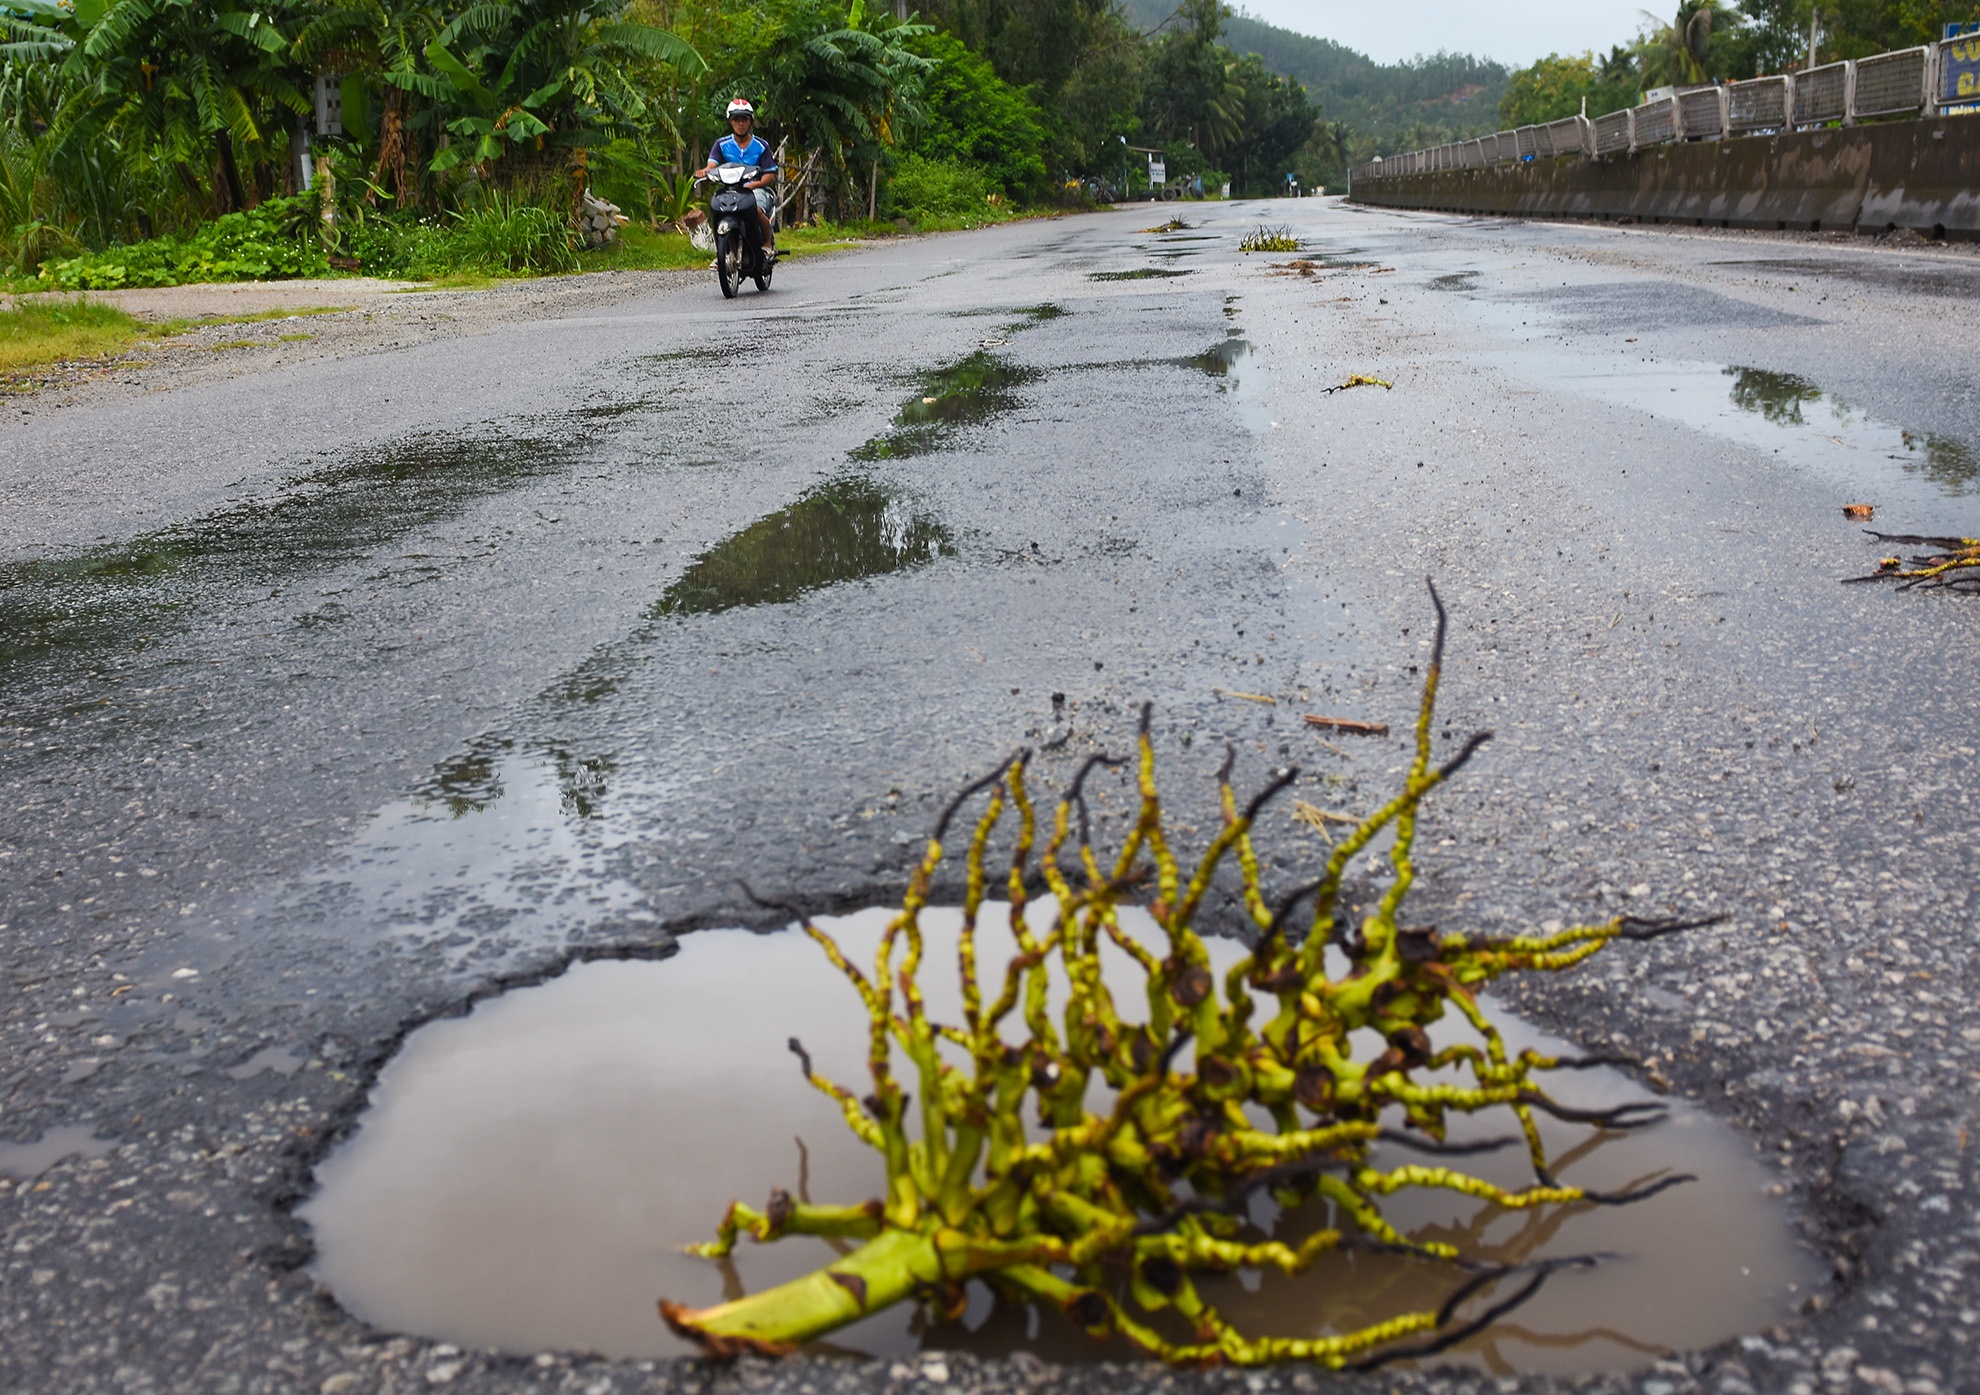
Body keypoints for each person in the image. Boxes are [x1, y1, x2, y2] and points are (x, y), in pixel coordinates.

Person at [702, 98, 778, 257]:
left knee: (756, 209)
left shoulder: (761, 145)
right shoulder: (721, 144)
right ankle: (721, 253)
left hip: (756, 189)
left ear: (750, 122)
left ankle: (767, 241)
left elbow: (770, 175)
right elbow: (712, 165)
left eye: (744, 119)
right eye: (737, 119)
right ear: (731, 121)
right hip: (730, 189)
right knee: (717, 209)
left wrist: (751, 186)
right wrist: (704, 172)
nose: (740, 123)